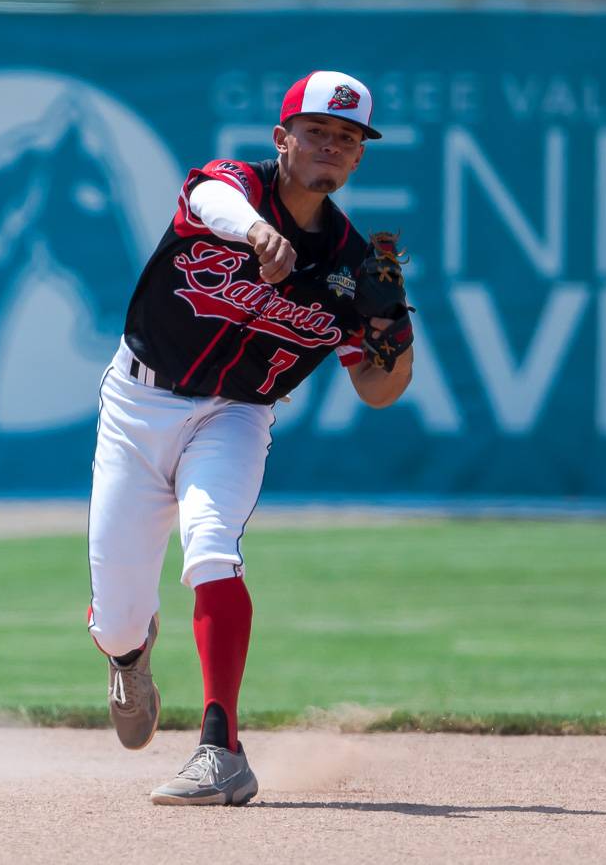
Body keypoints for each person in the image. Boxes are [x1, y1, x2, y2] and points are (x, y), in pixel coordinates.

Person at [87, 70, 413, 806]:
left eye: (348, 137)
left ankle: (221, 750)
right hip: (138, 401)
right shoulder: (234, 188)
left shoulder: (356, 266)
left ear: (359, 157)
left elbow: (380, 389)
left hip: (236, 415)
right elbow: (209, 196)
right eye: (316, 130)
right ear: (282, 138)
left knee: (211, 547)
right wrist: (255, 228)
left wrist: (390, 324)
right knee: (116, 615)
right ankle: (128, 652)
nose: (331, 144)